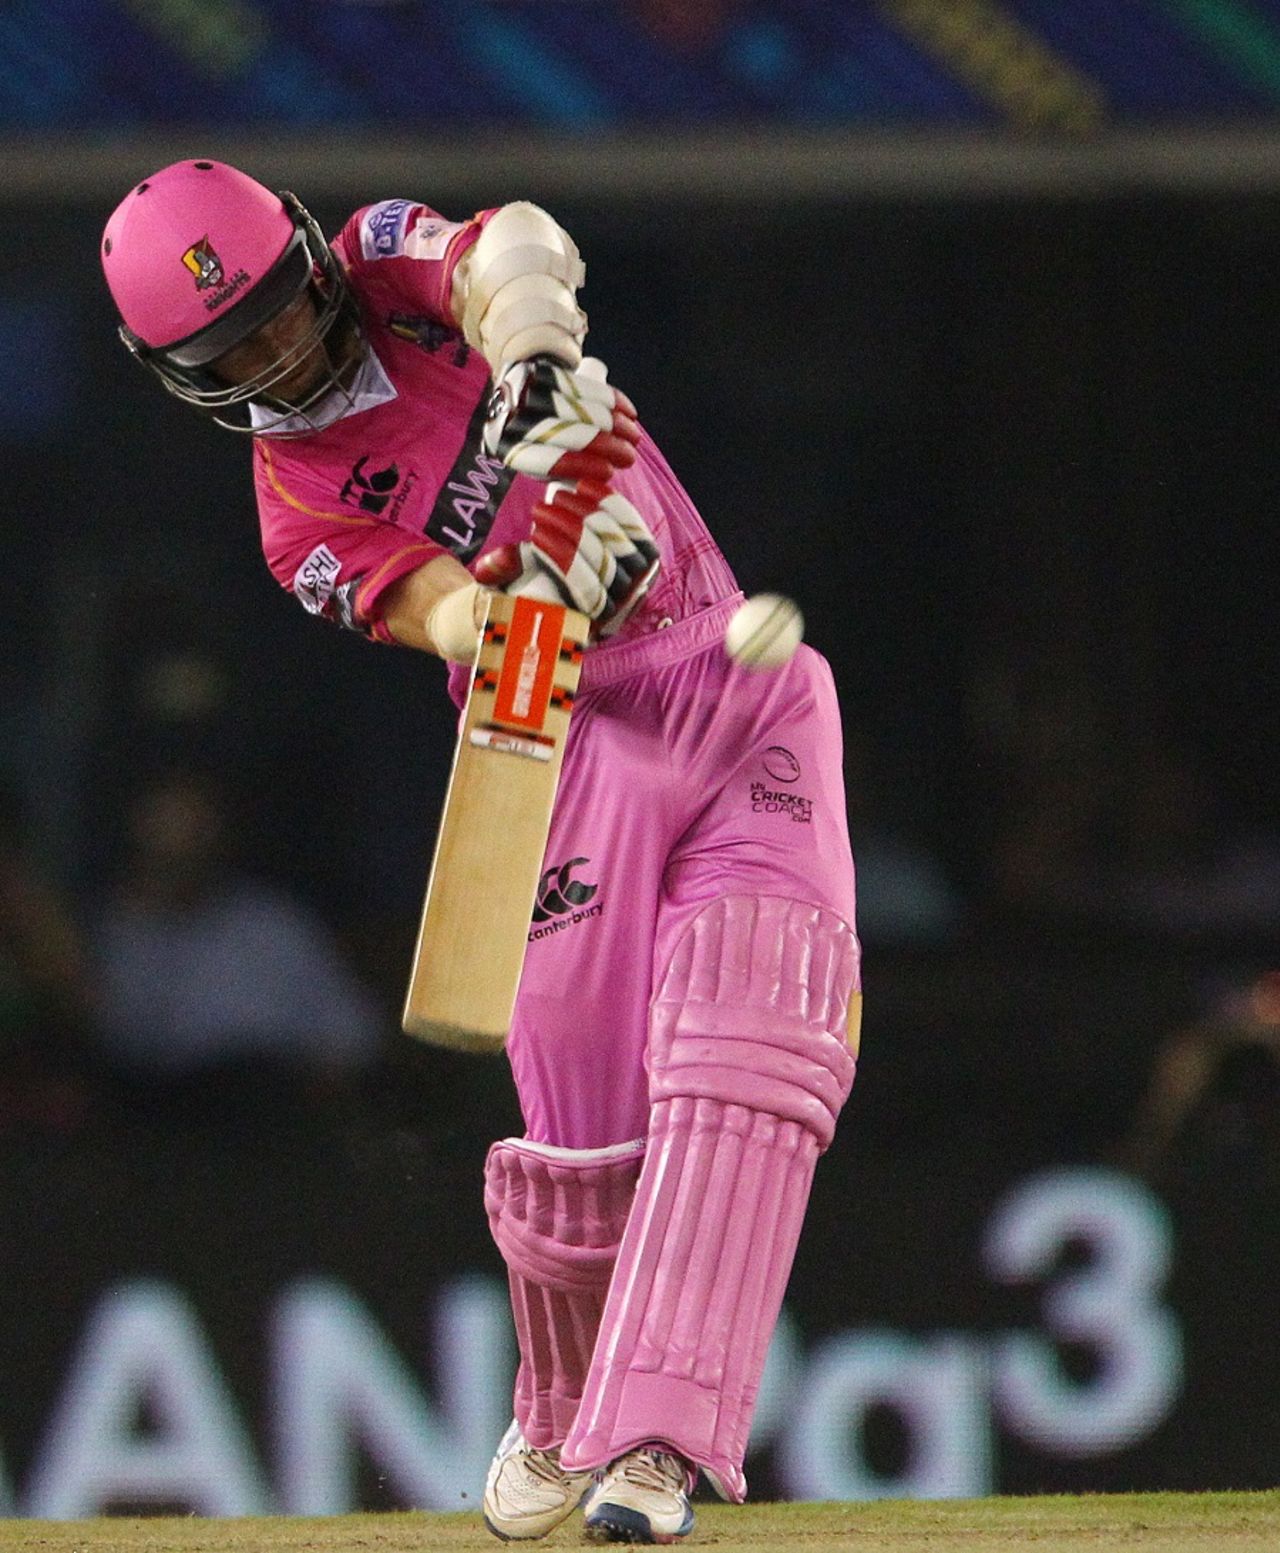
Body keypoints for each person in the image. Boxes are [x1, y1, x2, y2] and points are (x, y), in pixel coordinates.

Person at [100, 160, 862, 1544]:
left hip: (737, 687)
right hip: (558, 728)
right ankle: (564, 1393)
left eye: (280, 307)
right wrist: (541, 591)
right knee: (584, 1120)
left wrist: (531, 360)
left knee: (749, 1058)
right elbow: (447, 619)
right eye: (236, 345)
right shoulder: (296, 519)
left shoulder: (387, 261)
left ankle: (660, 1446)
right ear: (186, 374)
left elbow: (515, 247)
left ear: (313, 264)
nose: (278, 346)